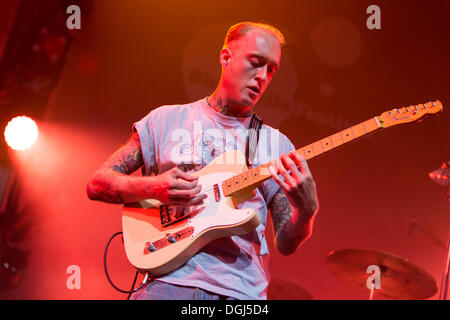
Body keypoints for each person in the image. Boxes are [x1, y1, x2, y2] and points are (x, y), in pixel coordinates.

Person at [86, 21, 319, 300]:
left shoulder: (275, 144)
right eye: (256, 62)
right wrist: (152, 188)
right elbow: (97, 184)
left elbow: (285, 243)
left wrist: (306, 213)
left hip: (240, 293)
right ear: (226, 57)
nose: (262, 76)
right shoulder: (165, 120)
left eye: (271, 69)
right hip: (166, 285)